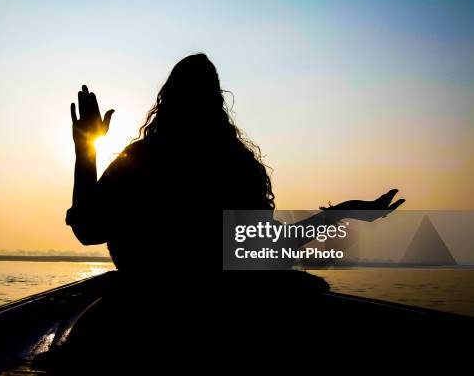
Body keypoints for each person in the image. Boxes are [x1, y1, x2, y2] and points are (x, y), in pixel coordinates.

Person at [62, 53, 405, 363]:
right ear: (217, 102)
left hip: (145, 309)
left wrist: (85, 148)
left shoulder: (135, 161)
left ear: (166, 100)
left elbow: (89, 231)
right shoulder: (238, 166)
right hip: (229, 310)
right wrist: (338, 213)